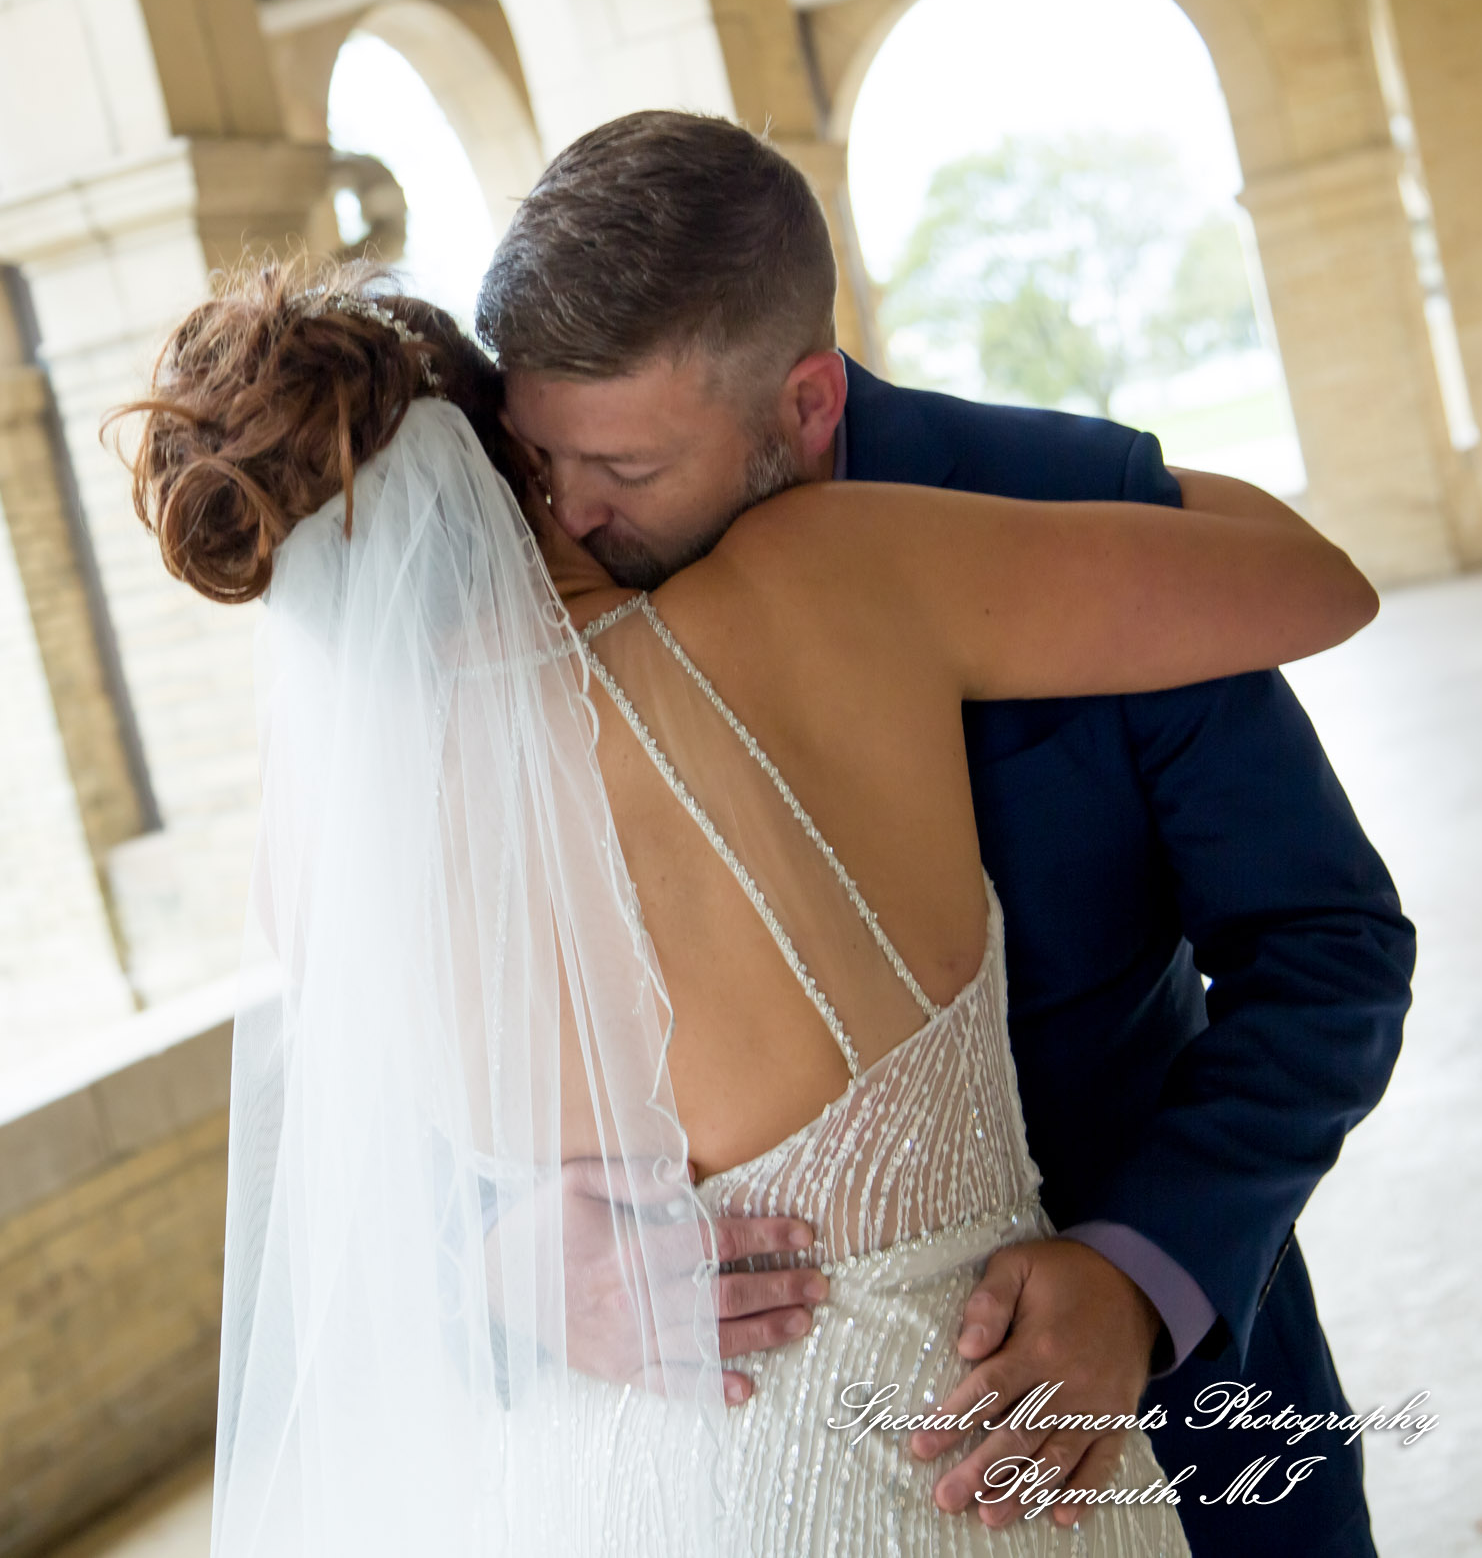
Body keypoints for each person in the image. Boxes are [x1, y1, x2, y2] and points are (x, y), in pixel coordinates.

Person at [114, 253, 1375, 1555]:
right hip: (947, 1475)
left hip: (603, 1492)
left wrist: (509, 1253)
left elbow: (362, 1188)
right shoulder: (819, 580)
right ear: (520, 448)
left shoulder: (317, 871)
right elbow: (1317, 582)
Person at [473, 112, 1416, 1558]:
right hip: (768, 1477)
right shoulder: (522, 595)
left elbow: (1327, 945)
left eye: (629, 469)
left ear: (802, 402)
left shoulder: (1077, 511)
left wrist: (1143, 1269)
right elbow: (422, 1038)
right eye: (543, 463)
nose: (574, 523)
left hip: (1187, 1408)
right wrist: (517, 1251)